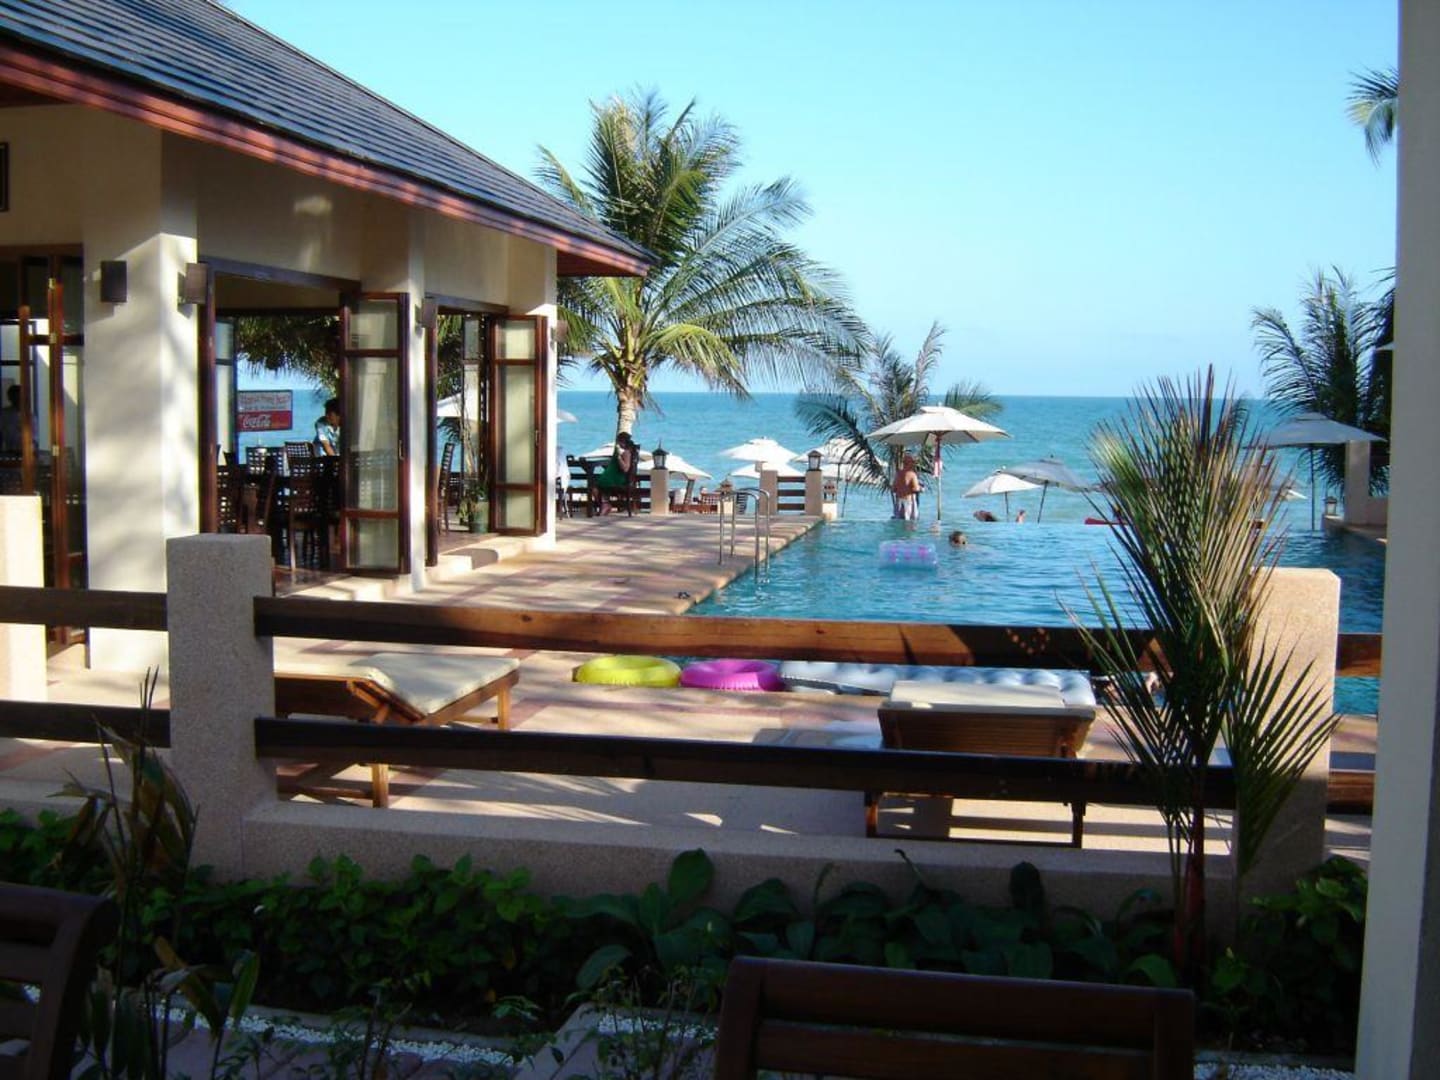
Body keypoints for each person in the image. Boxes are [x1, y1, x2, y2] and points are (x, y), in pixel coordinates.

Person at [591, 432, 636, 514]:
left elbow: (625, 468)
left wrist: (619, 458)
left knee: (594, 485)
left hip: (617, 479)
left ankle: (605, 504)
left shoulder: (626, 452)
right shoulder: (621, 451)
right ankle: (605, 504)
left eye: (618, 441)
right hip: (612, 477)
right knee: (595, 484)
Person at [891, 453, 921, 521]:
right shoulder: (912, 474)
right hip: (908, 501)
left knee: (898, 521)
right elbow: (916, 489)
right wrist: (921, 488)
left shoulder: (898, 474)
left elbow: (893, 489)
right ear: (909, 463)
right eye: (912, 463)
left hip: (898, 501)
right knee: (909, 522)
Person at [0, 385, 23, 453]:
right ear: (10, 398)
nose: (17, 400)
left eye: (19, 397)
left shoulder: (29, 416)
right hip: (9, 452)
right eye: (15, 397)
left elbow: (34, 439)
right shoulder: (4, 414)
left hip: (27, 452)